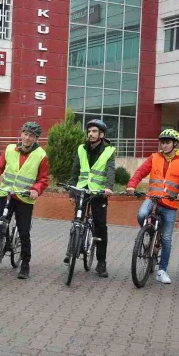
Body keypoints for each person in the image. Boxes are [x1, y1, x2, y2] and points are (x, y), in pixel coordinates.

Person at [0, 122, 49, 280]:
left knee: (24, 231)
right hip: (6, 193)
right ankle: (1, 247)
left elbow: (43, 179)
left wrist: (36, 189)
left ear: (36, 138)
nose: (27, 137)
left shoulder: (41, 155)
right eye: (25, 134)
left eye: (31, 135)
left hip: (24, 198)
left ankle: (25, 263)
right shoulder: (10, 149)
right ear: (21, 134)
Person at [126, 129, 179, 284]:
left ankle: (162, 270)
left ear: (175, 144)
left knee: (167, 239)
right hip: (153, 198)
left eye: (167, 142)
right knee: (142, 215)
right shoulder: (154, 157)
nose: (164, 145)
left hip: (170, 203)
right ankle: (148, 232)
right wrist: (132, 185)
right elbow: (140, 171)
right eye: (162, 142)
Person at [68, 119, 116, 278]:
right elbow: (75, 171)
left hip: (98, 193)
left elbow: (110, 170)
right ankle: (71, 250)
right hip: (82, 190)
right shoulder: (81, 148)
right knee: (77, 221)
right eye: (89, 131)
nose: (91, 134)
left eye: (94, 131)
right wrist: (71, 190)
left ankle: (101, 262)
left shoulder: (109, 150)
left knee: (100, 226)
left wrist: (109, 187)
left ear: (101, 134)